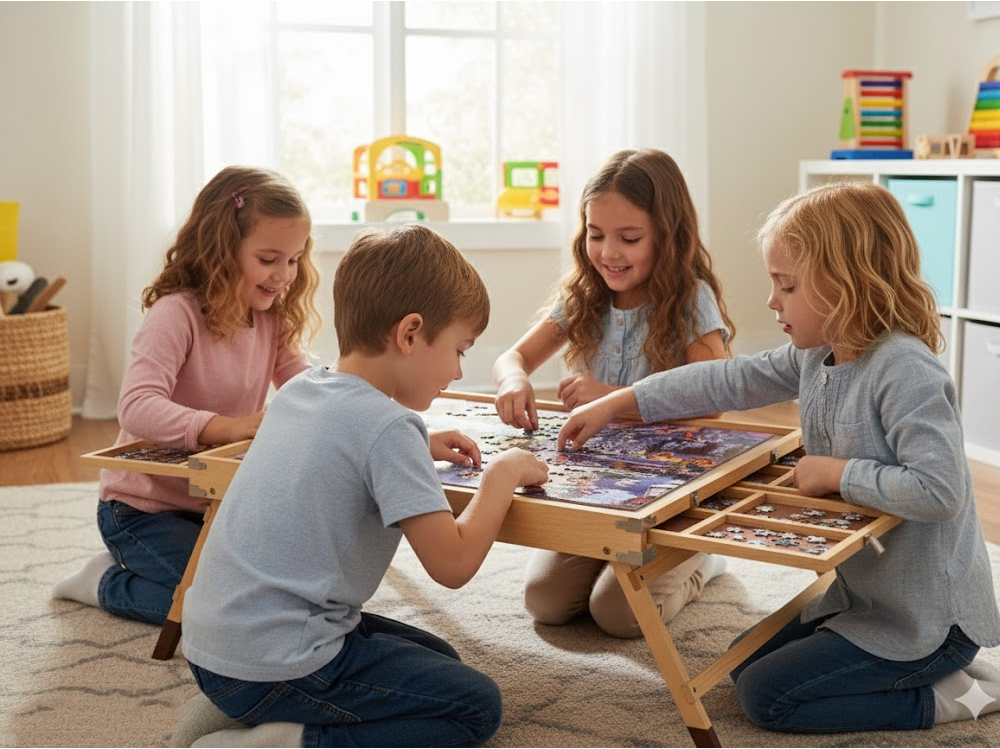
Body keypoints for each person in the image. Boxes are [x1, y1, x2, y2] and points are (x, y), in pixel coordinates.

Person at [556, 181, 1000, 732]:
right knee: (740, 668)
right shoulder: (816, 352)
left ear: (845, 287)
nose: (771, 301)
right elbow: (726, 379)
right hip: (862, 597)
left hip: (929, 623)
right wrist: (621, 401)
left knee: (769, 699)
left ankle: (959, 695)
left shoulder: (906, 370)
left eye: (785, 286)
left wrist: (839, 473)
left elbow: (940, 490)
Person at [174, 224, 549, 748]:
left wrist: (418, 443)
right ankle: (281, 741)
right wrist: (501, 474)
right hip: (280, 661)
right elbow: (453, 566)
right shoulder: (390, 430)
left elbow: (340, 444)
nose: (459, 371)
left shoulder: (302, 389)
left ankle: (235, 712)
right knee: (473, 705)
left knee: (440, 661)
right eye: (460, 350)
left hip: (217, 650)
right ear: (410, 333)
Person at [52, 166, 321, 624]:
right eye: (269, 258)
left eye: (294, 259)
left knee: (287, 594)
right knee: (229, 611)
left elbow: (309, 388)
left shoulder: (271, 318)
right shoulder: (175, 313)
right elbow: (136, 406)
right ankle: (104, 583)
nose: (284, 276)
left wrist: (369, 410)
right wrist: (226, 427)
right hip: (142, 511)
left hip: (218, 503)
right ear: (222, 250)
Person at [493, 148, 734, 638]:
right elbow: (510, 358)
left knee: (619, 616)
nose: (608, 253)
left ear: (668, 235)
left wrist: (613, 395)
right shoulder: (584, 293)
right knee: (547, 602)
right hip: (595, 489)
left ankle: (705, 560)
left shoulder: (690, 300)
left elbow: (715, 395)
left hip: (670, 493)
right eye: (596, 235)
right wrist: (514, 378)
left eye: (629, 238)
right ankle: (623, 562)